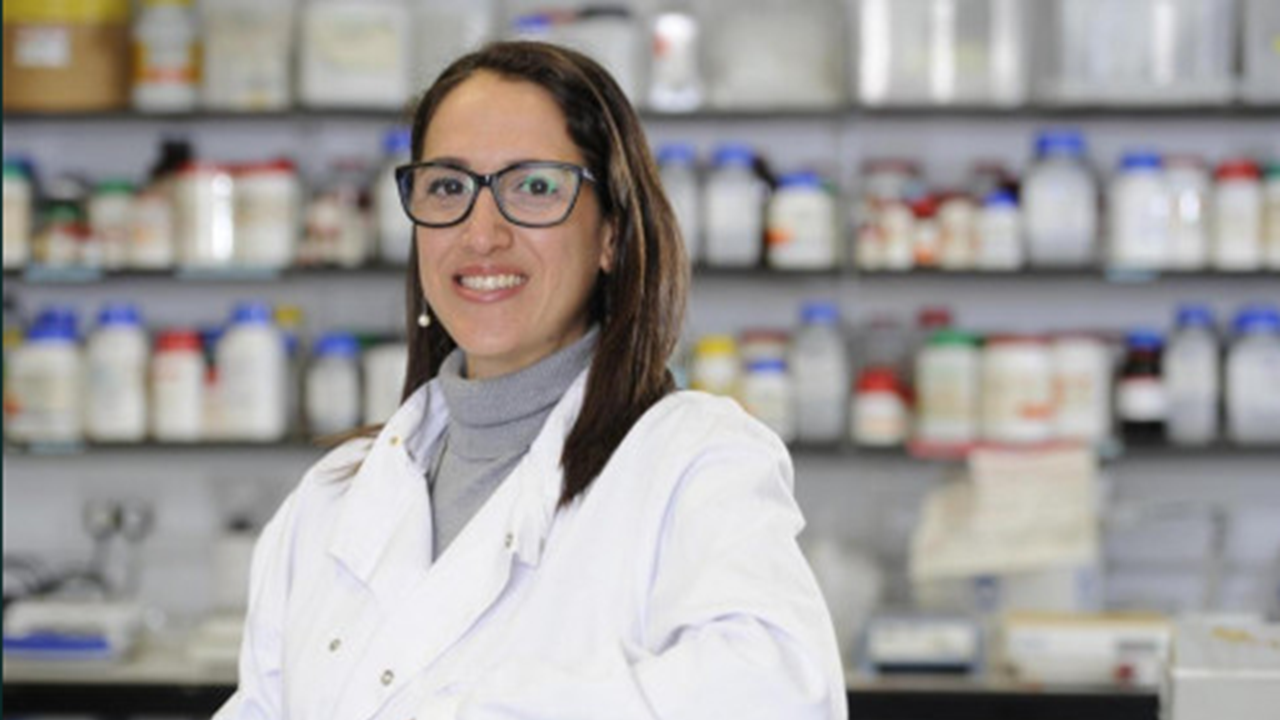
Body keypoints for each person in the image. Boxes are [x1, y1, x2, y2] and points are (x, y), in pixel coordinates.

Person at [214, 41, 847, 720]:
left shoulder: (693, 462)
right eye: (448, 187)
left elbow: (777, 700)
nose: (481, 234)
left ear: (610, 234)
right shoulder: (330, 500)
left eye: (534, 187)